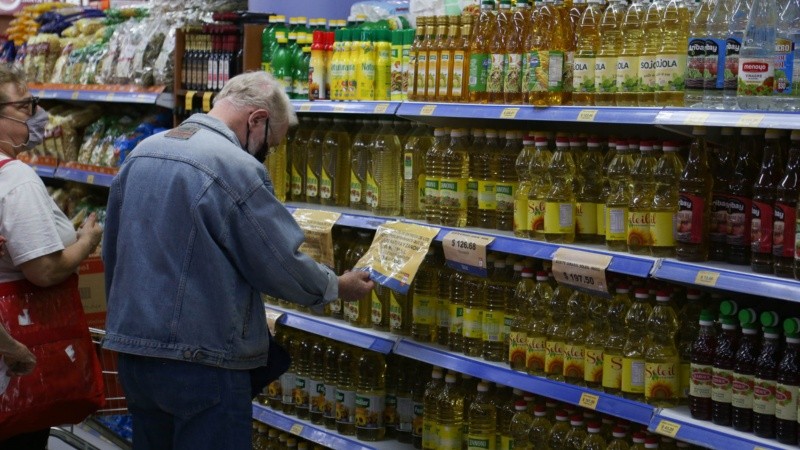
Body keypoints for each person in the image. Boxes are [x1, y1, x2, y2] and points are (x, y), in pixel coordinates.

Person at [102, 71, 374, 449]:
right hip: (202, 363)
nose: (265, 154)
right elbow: (279, 262)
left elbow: (113, 250)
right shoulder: (235, 167)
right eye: (269, 146)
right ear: (257, 120)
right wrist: (335, 286)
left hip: (135, 356)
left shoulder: (144, 151)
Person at [0, 64, 103, 448]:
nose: (37, 115)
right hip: (15, 352)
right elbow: (43, 269)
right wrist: (86, 242)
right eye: (26, 105)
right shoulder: (16, 180)